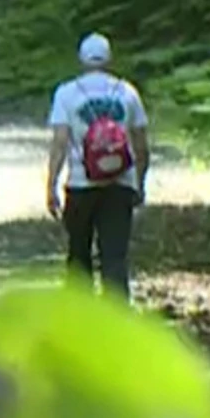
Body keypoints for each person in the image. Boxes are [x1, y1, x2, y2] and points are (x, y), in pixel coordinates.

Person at [46, 33, 151, 297]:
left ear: (81, 58)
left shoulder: (66, 93)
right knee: (115, 257)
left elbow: (59, 142)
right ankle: (116, 322)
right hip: (120, 184)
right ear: (109, 58)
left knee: (79, 254)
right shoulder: (127, 92)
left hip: (81, 185)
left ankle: (80, 322)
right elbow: (141, 145)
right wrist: (140, 181)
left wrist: (51, 184)